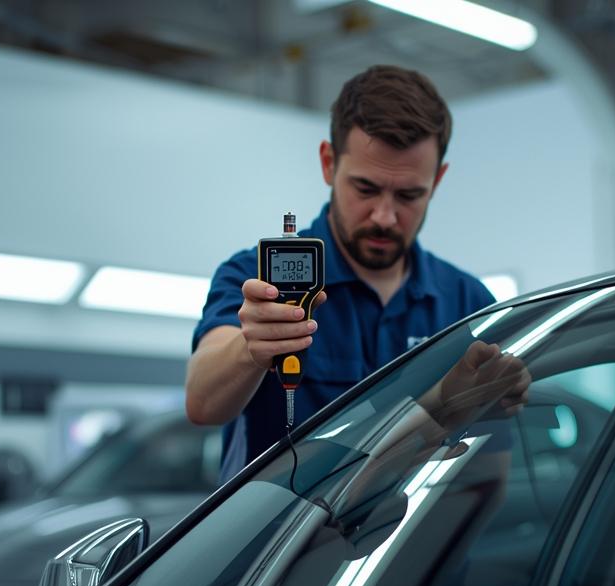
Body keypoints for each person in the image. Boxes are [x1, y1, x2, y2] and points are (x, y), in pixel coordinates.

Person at [187, 64, 504, 482]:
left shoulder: (469, 303)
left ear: (438, 179)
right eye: (366, 189)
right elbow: (203, 403)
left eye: (409, 195)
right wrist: (250, 349)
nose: (385, 217)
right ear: (328, 163)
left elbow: (489, 476)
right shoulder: (255, 276)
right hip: (281, 545)